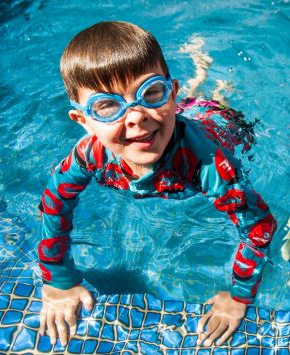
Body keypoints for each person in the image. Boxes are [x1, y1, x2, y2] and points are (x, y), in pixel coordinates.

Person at [37, 21, 277, 348]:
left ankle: (209, 81)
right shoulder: (88, 155)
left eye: (150, 92)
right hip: (179, 117)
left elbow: (258, 225)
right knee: (198, 96)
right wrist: (59, 279)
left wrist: (239, 297)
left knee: (216, 100)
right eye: (106, 106)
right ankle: (198, 72)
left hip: (220, 126)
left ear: (170, 94)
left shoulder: (208, 164)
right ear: (83, 121)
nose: (135, 115)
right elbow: (54, 202)